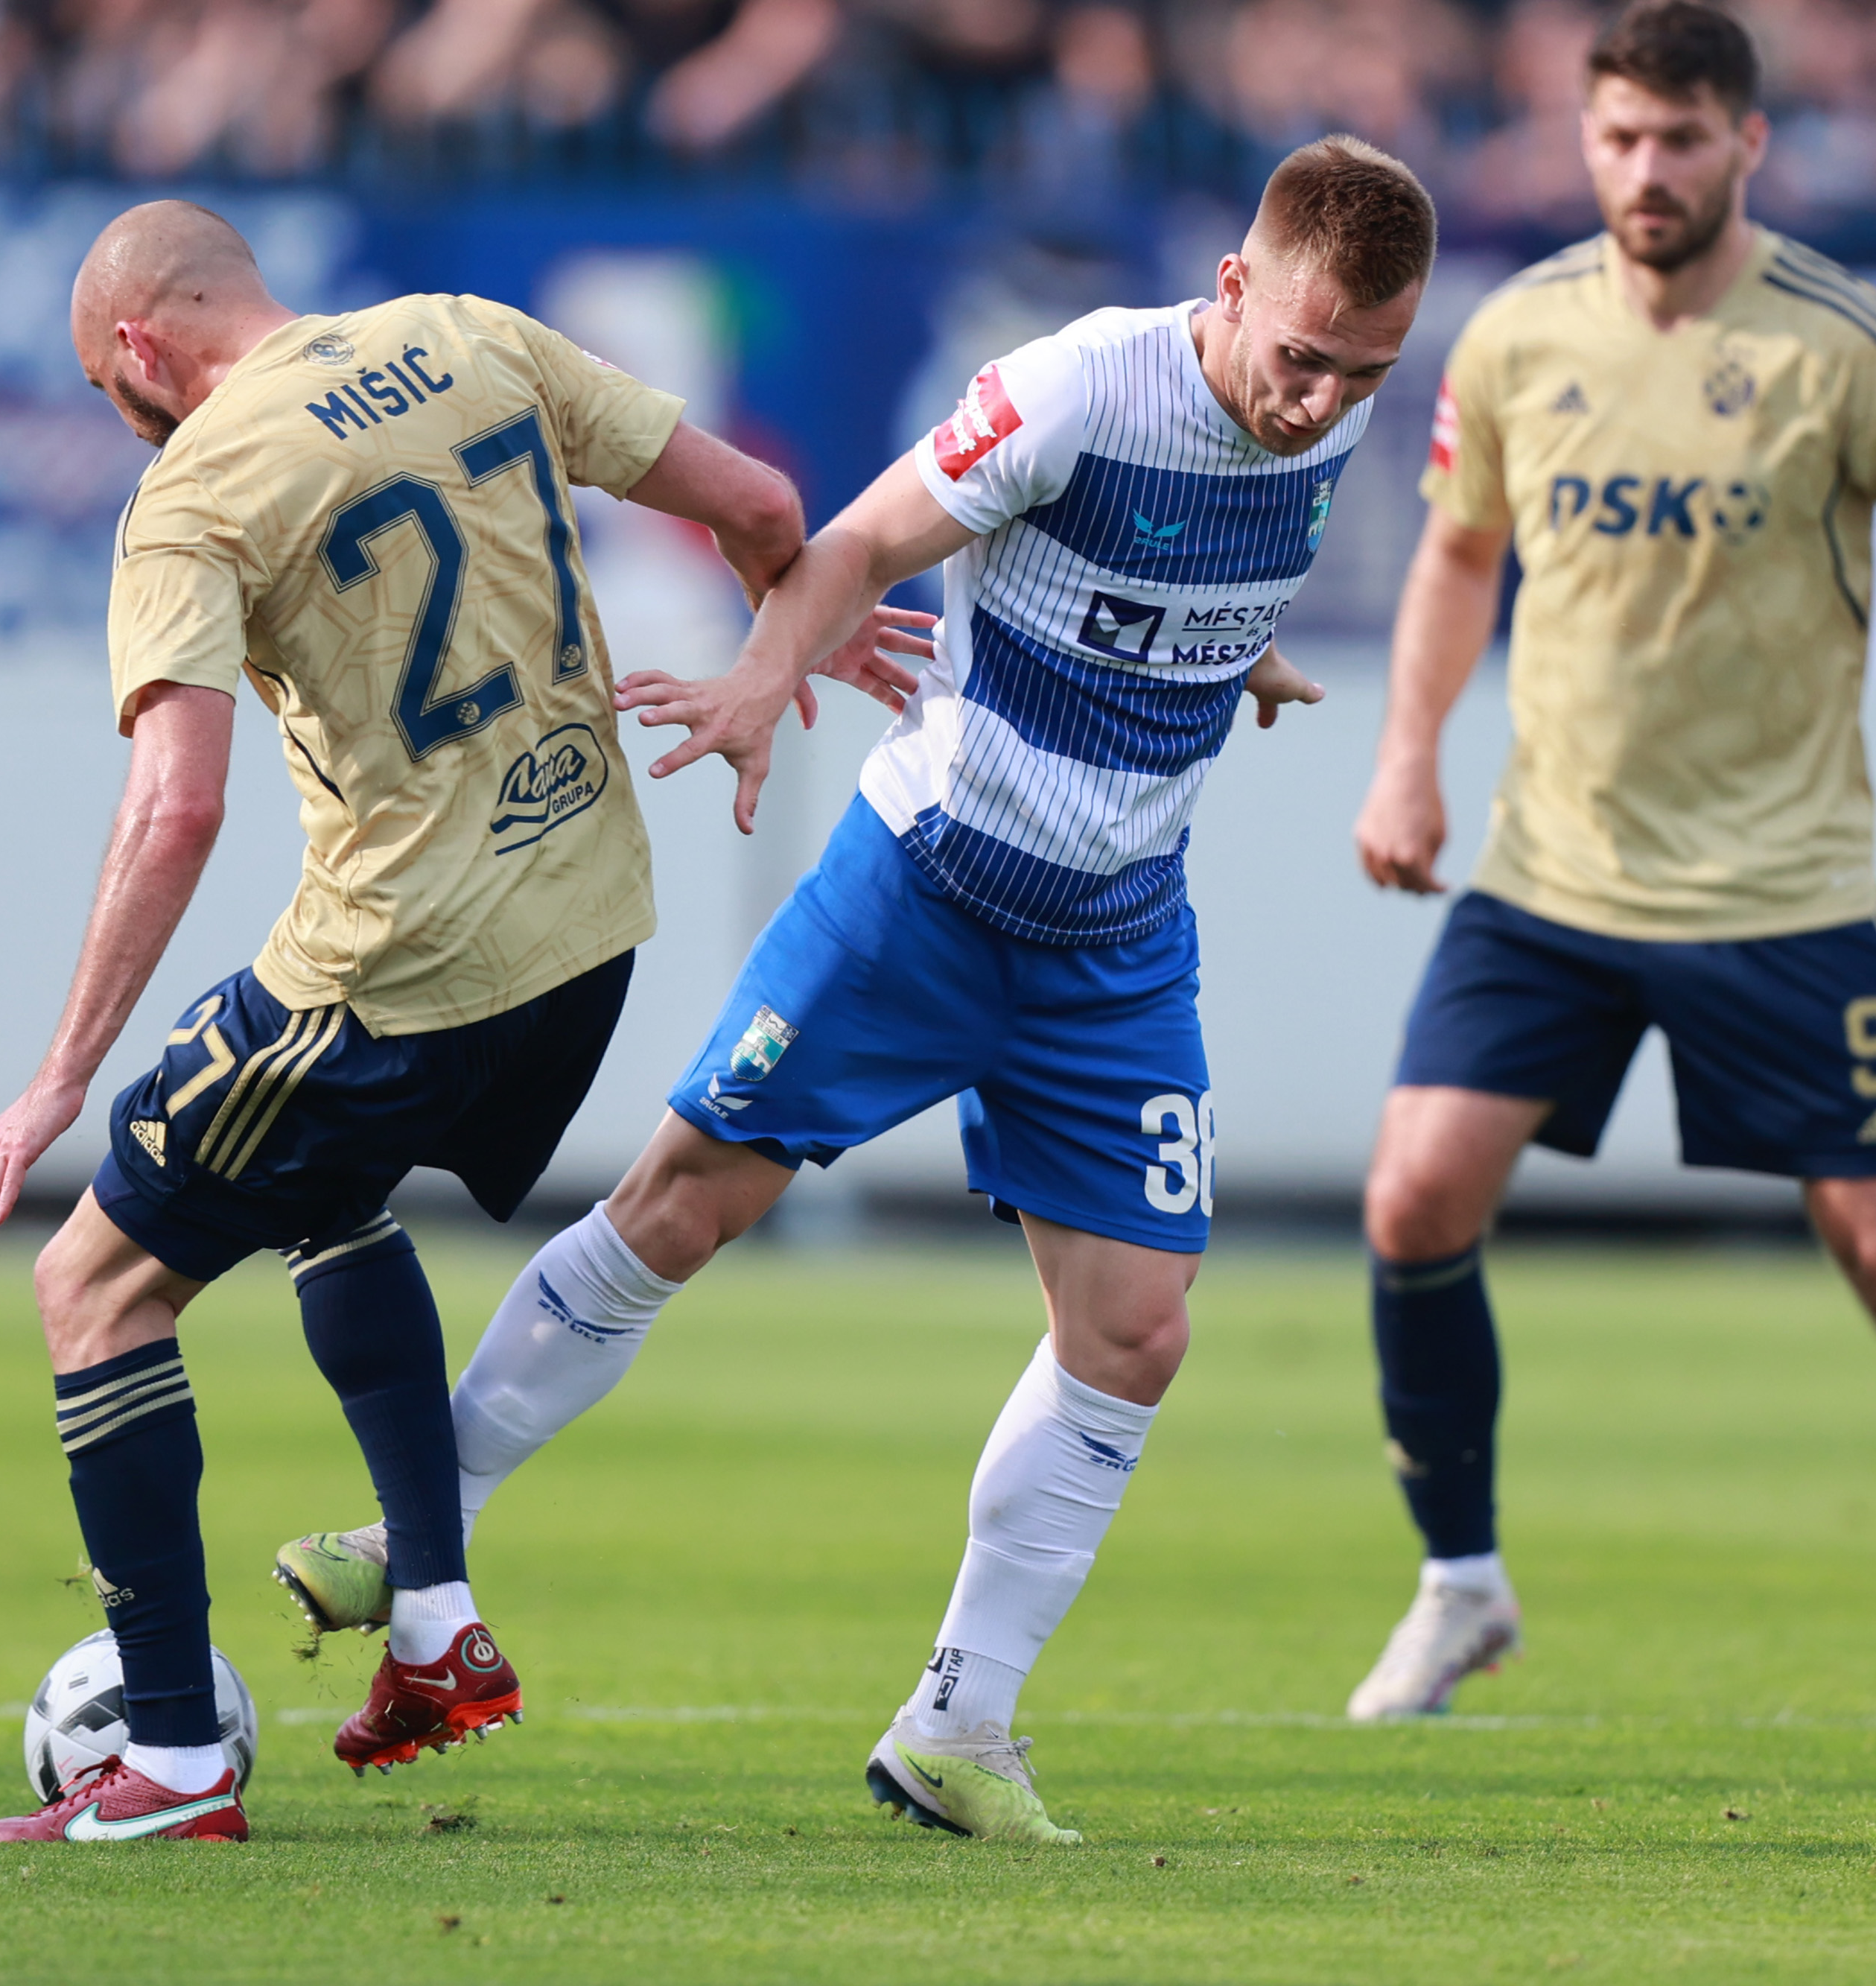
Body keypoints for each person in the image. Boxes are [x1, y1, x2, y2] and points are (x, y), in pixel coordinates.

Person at [276, 136, 1437, 1842]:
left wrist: (1229, 648)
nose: (1322, 398)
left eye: (1364, 373)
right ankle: (415, 1534)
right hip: (925, 892)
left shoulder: (1319, 415)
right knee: (680, 1207)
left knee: (1136, 1330)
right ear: (1232, 288)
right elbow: (858, 543)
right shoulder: (1074, 389)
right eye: (1304, 355)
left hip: (1118, 941)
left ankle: (958, 1726)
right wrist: (762, 678)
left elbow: (1189, 550)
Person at [0, 199, 921, 1844]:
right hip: (586, 938)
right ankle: (434, 1619)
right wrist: (780, 651)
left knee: (90, 1284)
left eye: (116, 395)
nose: (131, 424)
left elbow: (175, 807)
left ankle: (169, 1762)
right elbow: (761, 506)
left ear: (138, 351)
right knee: (321, 1187)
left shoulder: (194, 492)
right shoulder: (470, 333)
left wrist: (57, 1078)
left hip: (402, 970)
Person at [1339, 1, 1876, 1729]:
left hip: (1780, 892)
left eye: (1680, 140)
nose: (1646, 170)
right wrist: (1406, 756)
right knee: (1411, 1198)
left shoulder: (1850, 346)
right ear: (1583, 138)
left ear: (1747, 145)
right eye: (1618, 137)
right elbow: (1459, 557)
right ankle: (1459, 1584)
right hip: (1550, 877)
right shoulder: (1518, 332)